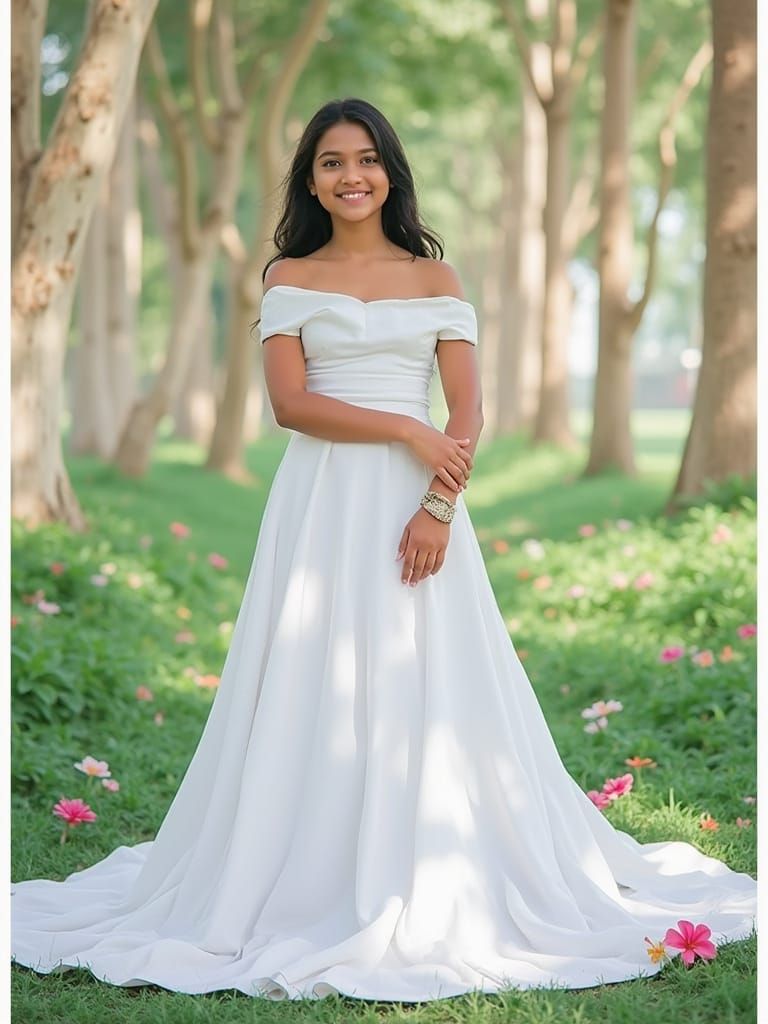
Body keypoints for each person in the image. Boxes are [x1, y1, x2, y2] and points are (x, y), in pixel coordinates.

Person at [11, 97, 757, 1004]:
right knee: (307, 671)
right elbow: (291, 404)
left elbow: (471, 412)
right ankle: (302, 859)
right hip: (322, 500)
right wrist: (406, 427)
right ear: (311, 178)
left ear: (391, 172)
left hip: (421, 502)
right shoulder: (288, 274)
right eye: (331, 161)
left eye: (366, 159)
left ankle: (433, 844)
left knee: (428, 670)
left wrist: (439, 504)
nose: (351, 175)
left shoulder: (436, 282)